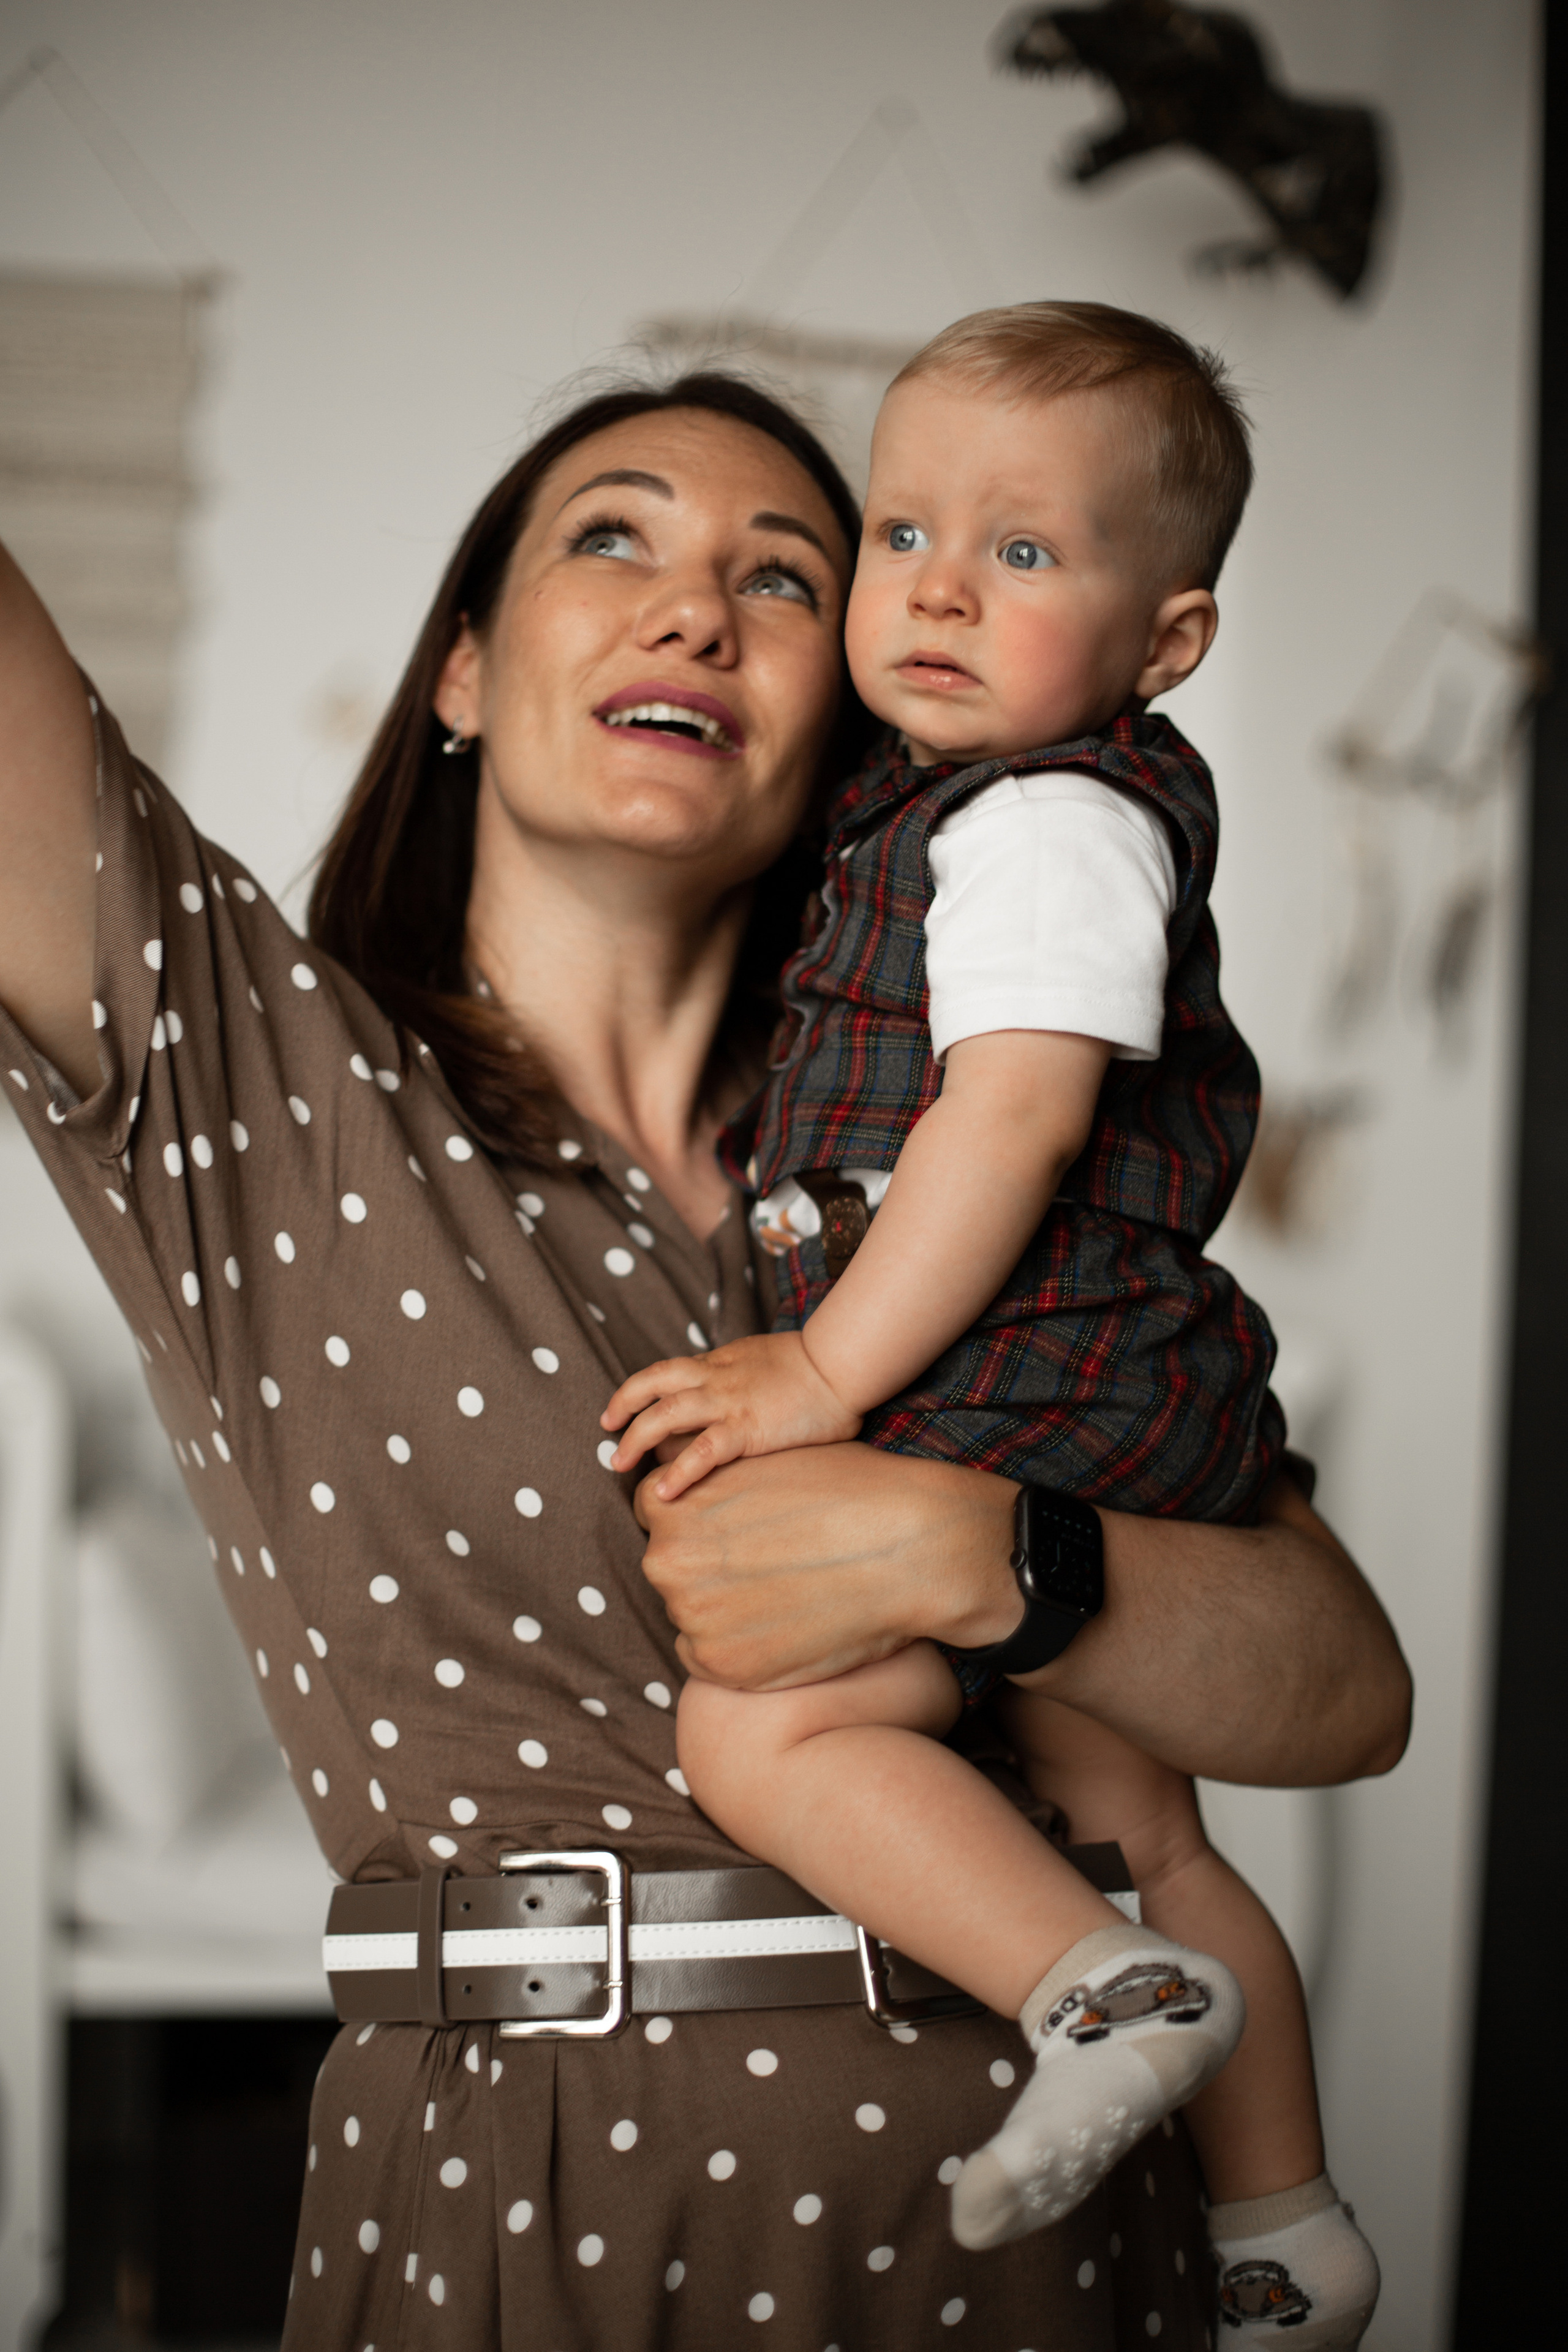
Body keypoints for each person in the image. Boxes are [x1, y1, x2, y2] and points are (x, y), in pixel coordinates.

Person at [0, 363, 1410, 2352]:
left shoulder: (980, 1147)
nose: (695, 609)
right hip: (549, 2213)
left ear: (846, 705)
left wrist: (976, 1555)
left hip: (1065, 2245)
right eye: (614, 539)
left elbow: (1347, 1691)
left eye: (783, 575)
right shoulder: (253, 1070)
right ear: (466, 671)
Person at [602, 307, 1379, 2342]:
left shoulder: (1039, 824)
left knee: (762, 1718)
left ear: (1171, 637)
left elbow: (1012, 1115)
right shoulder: (969, 808)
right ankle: (1287, 2226)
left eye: (1022, 553)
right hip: (1119, 1383)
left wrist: (822, 1370)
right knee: (1143, 1819)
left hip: (1016, 1379)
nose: (936, 585)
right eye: (903, 532)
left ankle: (1096, 1994)